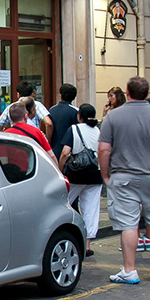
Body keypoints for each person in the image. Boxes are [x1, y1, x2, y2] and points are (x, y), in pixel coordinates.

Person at [97, 76, 150, 283]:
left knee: (128, 224)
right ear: (147, 92)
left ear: (127, 92)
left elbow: (103, 149)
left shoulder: (113, 117)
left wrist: (105, 174)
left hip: (123, 176)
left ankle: (129, 269)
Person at [58, 103, 103, 255]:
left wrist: (60, 170)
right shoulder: (99, 131)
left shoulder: (74, 129)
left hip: (76, 174)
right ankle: (88, 244)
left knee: (62, 203)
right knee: (91, 209)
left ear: (79, 116)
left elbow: (65, 153)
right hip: (95, 175)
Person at [46, 83, 79, 157]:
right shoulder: (76, 111)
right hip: (70, 151)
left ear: (60, 95)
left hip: (53, 149)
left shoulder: (52, 110)